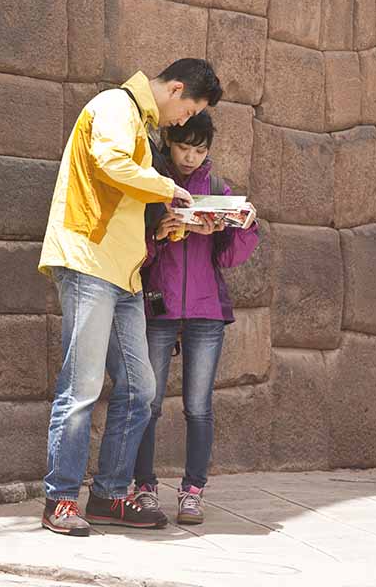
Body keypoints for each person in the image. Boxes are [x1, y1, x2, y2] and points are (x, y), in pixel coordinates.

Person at [38, 59, 223, 536]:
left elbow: (125, 201)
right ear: (176, 89)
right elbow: (110, 163)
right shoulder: (115, 106)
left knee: (141, 390)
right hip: (87, 262)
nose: (184, 121)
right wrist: (170, 190)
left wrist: (175, 223)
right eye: (189, 110)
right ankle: (60, 500)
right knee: (81, 389)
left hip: (123, 272)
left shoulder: (138, 123)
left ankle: (108, 496)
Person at [131, 111, 260, 525]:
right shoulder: (152, 187)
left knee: (198, 406)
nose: (190, 156)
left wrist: (243, 225)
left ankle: (193, 491)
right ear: (169, 142)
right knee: (146, 404)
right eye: (184, 146)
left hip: (206, 310)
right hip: (160, 307)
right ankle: (144, 487)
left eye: (199, 149)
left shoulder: (218, 188)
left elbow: (229, 256)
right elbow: (138, 258)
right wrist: (157, 232)